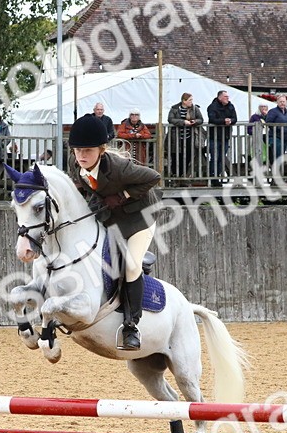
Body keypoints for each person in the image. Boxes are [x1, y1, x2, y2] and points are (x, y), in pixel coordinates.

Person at [66, 115, 161, 351]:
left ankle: (131, 327)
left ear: (101, 149)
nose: (81, 156)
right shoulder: (75, 163)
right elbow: (80, 185)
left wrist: (122, 197)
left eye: (87, 151)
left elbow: (153, 177)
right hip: (112, 220)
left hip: (140, 220)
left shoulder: (119, 168)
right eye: (77, 150)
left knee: (130, 265)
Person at [166, 93, 204, 179]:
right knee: (175, 156)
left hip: (189, 136)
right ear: (184, 101)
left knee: (188, 156)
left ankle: (183, 175)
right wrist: (183, 122)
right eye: (190, 100)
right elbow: (170, 119)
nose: (191, 102)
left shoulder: (195, 108)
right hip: (176, 137)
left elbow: (201, 119)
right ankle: (175, 175)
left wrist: (195, 121)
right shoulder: (175, 108)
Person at [206, 90, 237, 185]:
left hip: (225, 136)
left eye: (228, 96)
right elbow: (212, 119)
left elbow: (235, 118)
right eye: (225, 97)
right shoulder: (212, 106)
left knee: (221, 158)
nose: (228, 98)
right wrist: (224, 121)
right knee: (214, 157)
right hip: (214, 137)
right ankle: (213, 178)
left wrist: (230, 121)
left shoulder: (230, 106)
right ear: (220, 97)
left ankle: (217, 176)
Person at [265, 96, 287, 169]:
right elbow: (268, 122)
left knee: (282, 155)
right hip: (275, 137)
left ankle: (280, 172)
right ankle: (276, 172)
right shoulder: (273, 111)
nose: (282, 103)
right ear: (277, 102)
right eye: (280, 101)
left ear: (286, 102)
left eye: (284, 101)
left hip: (285, 138)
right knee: (278, 156)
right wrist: (279, 129)